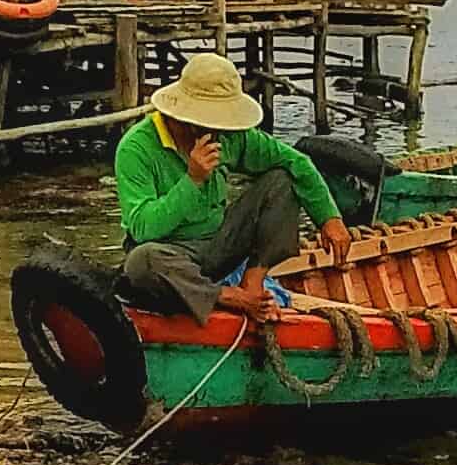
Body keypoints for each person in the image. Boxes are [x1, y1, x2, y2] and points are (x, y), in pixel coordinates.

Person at [113, 53, 351, 324]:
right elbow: (143, 229)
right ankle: (228, 297)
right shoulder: (136, 148)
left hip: (218, 244)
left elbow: (296, 162)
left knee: (283, 179)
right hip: (171, 255)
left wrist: (329, 217)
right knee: (141, 261)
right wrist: (193, 180)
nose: (221, 129)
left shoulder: (230, 137)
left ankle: (253, 283)